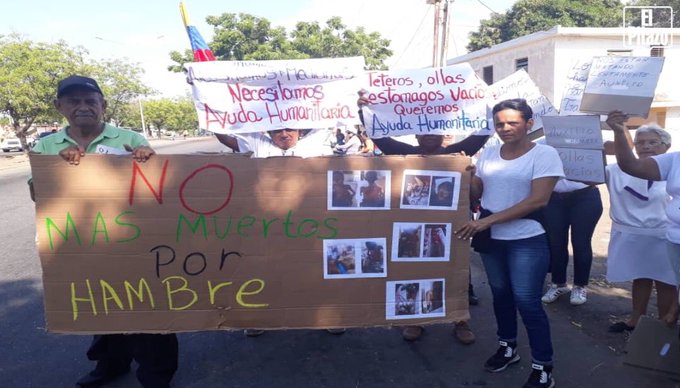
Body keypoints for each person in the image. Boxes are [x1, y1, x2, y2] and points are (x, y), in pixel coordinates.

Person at [30, 75, 178, 388]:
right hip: (85, 243)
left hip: (135, 242)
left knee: (148, 307)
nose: (82, 107)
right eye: (73, 101)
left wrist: (146, 161)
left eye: (90, 100)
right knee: (102, 308)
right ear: (60, 106)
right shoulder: (46, 146)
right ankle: (110, 366)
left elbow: (159, 189)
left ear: (102, 105)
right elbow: (38, 194)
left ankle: (156, 376)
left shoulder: (131, 138)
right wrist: (58, 170)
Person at [358, 95, 486, 344]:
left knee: (457, 270)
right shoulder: (404, 153)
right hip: (412, 227)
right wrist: (363, 109)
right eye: (424, 130)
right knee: (414, 270)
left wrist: (489, 107)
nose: (430, 134)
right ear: (415, 136)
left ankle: (460, 319)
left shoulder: (456, 154)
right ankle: (416, 319)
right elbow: (379, 136)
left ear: (444, 135)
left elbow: (481, 135)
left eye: (435, 129)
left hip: (452, 226)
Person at [455, 99, 563, 388]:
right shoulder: (489, 153)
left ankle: (543, 366)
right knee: (500, 296)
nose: (505, 128)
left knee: (527, 302)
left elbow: (538, 200)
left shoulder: (545, 154)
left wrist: (486, 221)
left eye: (512, 122)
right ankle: (508, 347)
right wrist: (469, 177)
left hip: (526, 238)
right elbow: (480, 192)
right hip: (493, 239)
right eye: (499, 123)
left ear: (529, 123)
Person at [216, 128, 341, 336]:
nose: (284, 134)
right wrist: (210, 113)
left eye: (290, 129)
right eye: (277, 130)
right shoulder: (255, 141)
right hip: (265, 220)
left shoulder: (316, 141)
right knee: (262, 267)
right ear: (268, 130)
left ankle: (328, 316)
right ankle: (258, 317)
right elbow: (224, 136)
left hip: (308, 221)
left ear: (300, 129)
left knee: (315, 266)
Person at [605, 112, 680, 333]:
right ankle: (636, 319)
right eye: (640, 142)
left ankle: (662, 325)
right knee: (641, 277)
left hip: (662, 235)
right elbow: (590, 176)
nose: (645, 146)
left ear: (666, 145)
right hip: (635, 236)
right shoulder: (621, 169)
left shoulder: (669, 167)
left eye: (652, 142)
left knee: (666, 281)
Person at [540, 176, 603, 305]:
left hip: (585, 195)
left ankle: (580, 286)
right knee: (556, 243)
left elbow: (600, 170)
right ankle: (558, 284)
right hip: (553, 196)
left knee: (581, 243)